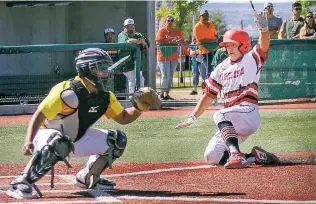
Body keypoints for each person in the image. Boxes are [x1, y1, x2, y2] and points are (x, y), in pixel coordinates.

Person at [6, 48, 160, 199]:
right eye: (101, 68)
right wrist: (28, 140)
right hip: (46, 137)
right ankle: (21, 183)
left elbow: (124, 118)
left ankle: (87, 178)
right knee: (60, 141)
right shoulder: (68, 92)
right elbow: (39, 115)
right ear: (87, 69)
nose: (107, 72)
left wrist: (139, 107)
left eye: (107, 67)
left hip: (74, 139)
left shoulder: (105, 96)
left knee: (118, 140)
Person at [175, 12, 279, 169]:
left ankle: (236, 154)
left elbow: (263, 45)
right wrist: (193, 117)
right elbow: (209, 95)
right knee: (211, 156)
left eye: (232, 44)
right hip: (231, 121)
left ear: (243, 44)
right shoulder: (221, 67)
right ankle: (255, 157)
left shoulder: (250, 59)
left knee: (220, 113)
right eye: (226, 45)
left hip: (248, 113)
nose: (228, 48)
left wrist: (263, 29)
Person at [118, 18, 149, 98]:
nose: (130, 28)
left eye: (132, 26)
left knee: (137, 81)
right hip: (127, 65)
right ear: (124, 28)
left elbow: (147, 44)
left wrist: (142, 42)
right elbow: (127, 41)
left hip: (138, 65)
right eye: (128, 26)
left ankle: (137, 99)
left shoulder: (138, 35)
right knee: (136, 80)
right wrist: (139, 41)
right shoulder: (122, 35)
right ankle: (133, 100)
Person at [155, 15, 184, 100]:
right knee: (165, 75)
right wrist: (170, 42)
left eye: (172, 20)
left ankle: (166, 93)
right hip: (163, 57)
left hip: (174, 57)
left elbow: (183, 40)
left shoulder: (177, 31)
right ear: (165, 22)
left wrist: (180, 41)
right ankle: (162, 92)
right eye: (168, 20)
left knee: (170, 76)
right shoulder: (161, 31)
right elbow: (158, 42)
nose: (170, 22)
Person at [193, 9, 217, 79]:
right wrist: (213, 41)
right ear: (200, 16)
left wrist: (215, 40)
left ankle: (214, 87)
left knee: (215, 69)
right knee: (209, 70)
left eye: (207, 15)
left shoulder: (211, 24)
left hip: (214, 50)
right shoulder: (197, 27)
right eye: (203, 15)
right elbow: (201, 41)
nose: (205, 17)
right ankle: (208, 87)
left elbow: (215, 35)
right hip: (205, 52)